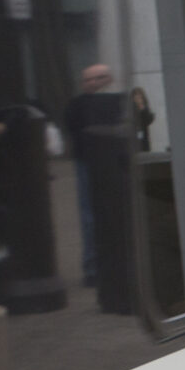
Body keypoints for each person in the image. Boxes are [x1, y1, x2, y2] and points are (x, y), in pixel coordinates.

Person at [62, 63, 125, 287]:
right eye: (88, 80)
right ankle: (92, 268)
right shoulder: (77, 105)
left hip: (114, 164)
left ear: (109, 79)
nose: (93, 83)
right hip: (87, 164)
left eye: (98, 78)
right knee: (89, 216)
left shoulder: (120, 100)